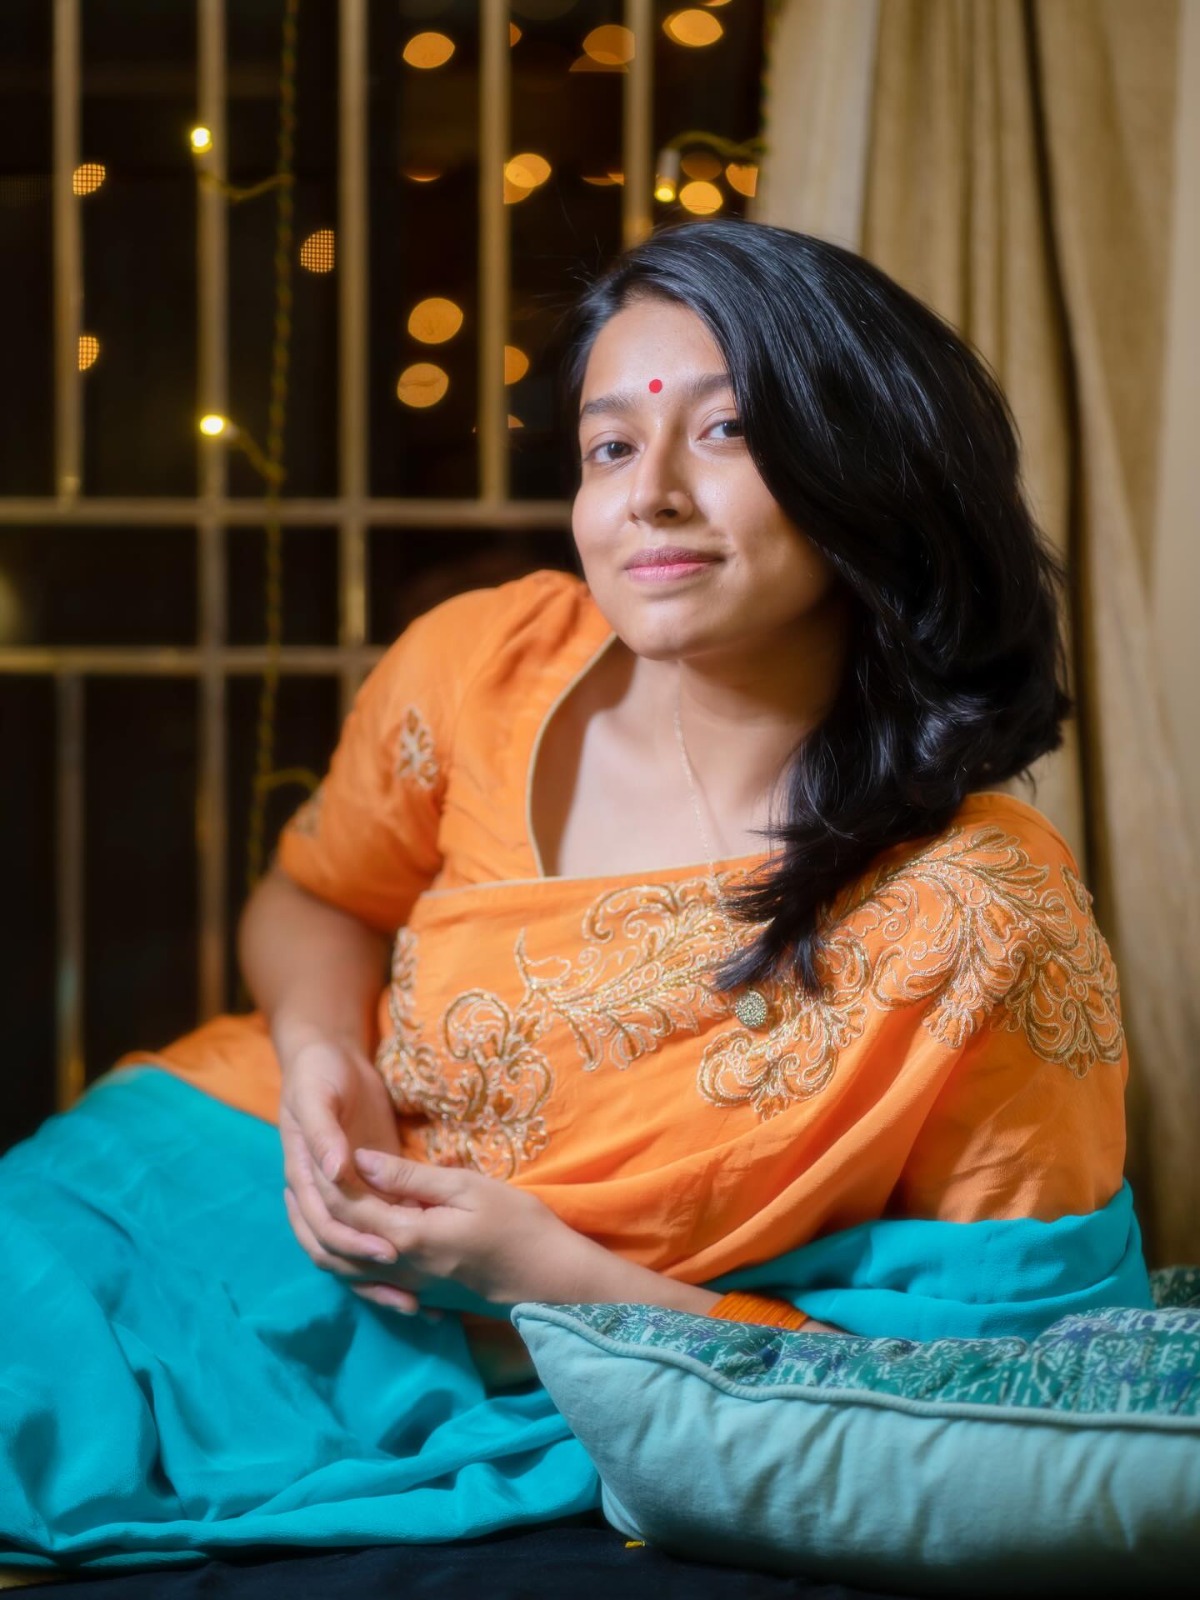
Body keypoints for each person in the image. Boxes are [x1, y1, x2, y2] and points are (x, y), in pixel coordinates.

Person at [0, 219, 1149, 1573]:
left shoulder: (978, 916)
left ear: (875, 470)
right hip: (218, 1176)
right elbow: (312, 900)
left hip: (515, 1360)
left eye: (724, 432)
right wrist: (320, 1055)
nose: (649, 494)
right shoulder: (483, 665)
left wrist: (543, 1278)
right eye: (610, 446)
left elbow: (1008, 1388)